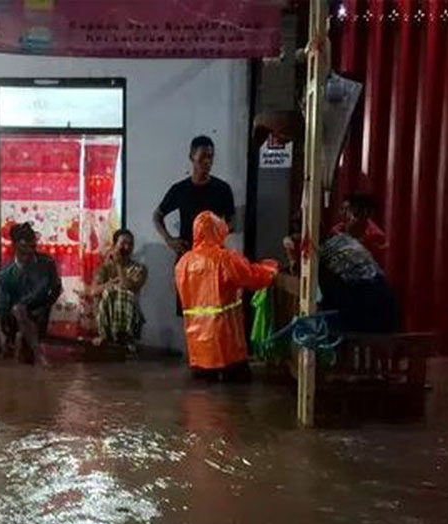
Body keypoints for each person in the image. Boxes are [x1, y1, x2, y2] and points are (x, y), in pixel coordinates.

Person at [175, 212, 279, 381]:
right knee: (237, 391)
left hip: (198, 353)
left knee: (203, 395)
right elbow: (252, 277)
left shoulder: (183, 263)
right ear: (218, 231)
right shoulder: (225, 258)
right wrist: (271, 268)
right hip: (228, 349)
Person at [283, 216, 398, 334]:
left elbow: (305, 284)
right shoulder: (345, 239)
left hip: (361, 309)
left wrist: (292, 257)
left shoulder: (317, 253)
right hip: (386, 307)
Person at [154, 135, 236, 257]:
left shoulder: (222, 189)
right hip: (187, 254)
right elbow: (157, 216)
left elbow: (232, 222)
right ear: (192, 156)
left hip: (212, 256)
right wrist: (169, 240)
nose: (207, 161)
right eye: (202, 156)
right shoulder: (180, 189)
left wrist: (218, 233)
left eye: (210, 157)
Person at [0, 223, 61, 365]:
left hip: (39, 312)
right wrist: (6, 333)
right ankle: (35, 352)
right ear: (15, 246)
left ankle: (27, 343)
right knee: (18, 310)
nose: (30, 250)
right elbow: (2, 309)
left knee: (26, 353)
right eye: (25, 246)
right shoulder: (5, 274)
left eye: (33, 246)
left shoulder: (47, 264)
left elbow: (55, 289)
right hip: (15, 318)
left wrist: (44, 307)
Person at [90, 229, 148, 350]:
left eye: (130, 244)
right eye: (123, 243)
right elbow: (93, 291)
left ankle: (127, 336)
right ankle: (104, 334)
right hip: (107, 314)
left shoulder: (139, 269)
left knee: (124, 293)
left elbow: (128, 287)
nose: (127, 247)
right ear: (114, 245)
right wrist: (110, 284)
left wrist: (119, 265)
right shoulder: (104, 268)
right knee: (107, 292)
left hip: (128, 315)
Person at [328, 193, 389, 270]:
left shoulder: (376, 236)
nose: (345, 214)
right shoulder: (336, 231)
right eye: (343, 209)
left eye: (356, 212)